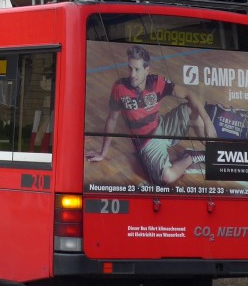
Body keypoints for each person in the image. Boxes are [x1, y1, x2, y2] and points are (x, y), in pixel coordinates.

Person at [86, 45, 215, 184]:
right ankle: (191, 156)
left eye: (137, 69)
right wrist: (103, 152)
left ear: (147, 70)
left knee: (192, 109)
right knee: (167, 177)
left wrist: (208, 122)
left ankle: (214, 149)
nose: (132, 74)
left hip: (162, 127)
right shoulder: (120, 88)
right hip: (146, 143)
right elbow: (111, 119)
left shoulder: (157, 82)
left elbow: (189, 94)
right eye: (130, 68)